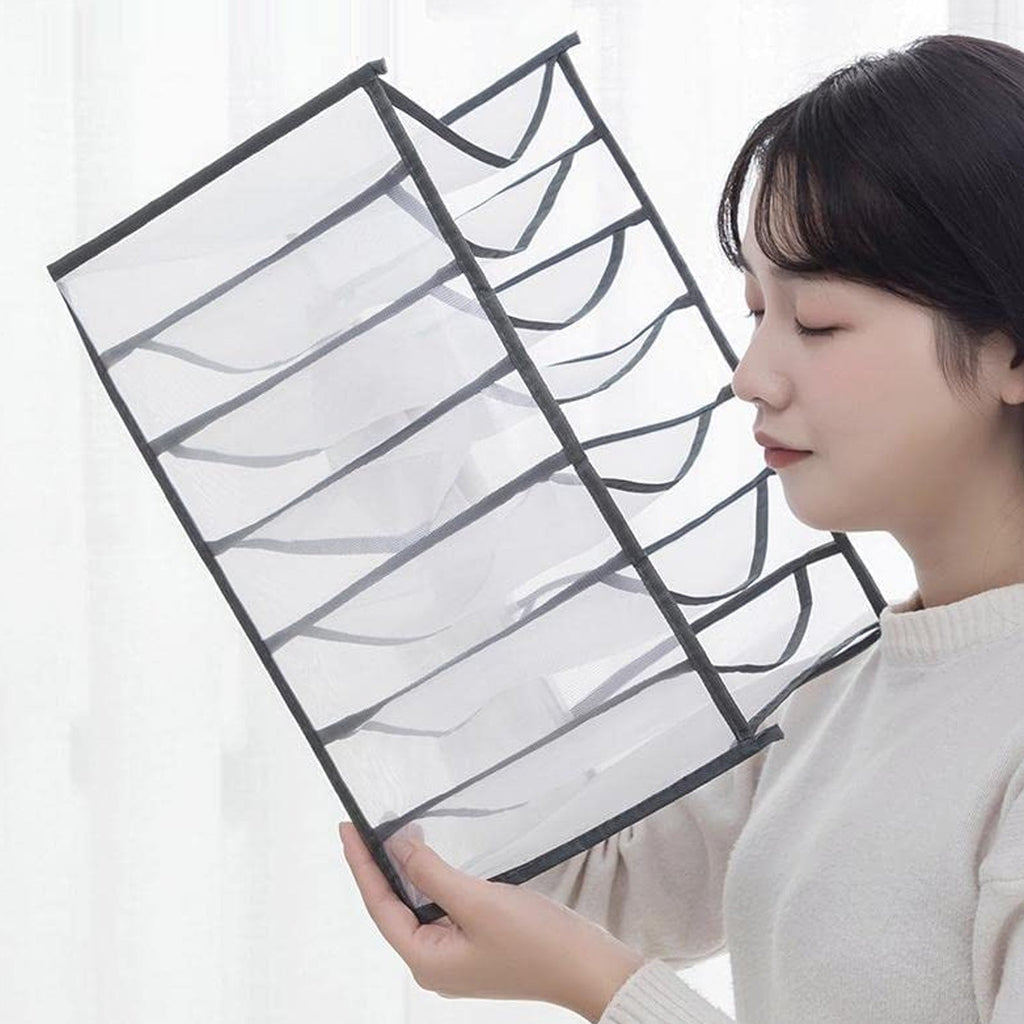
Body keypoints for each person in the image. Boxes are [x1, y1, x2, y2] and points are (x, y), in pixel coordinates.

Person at [340, 32, 1024, 1022]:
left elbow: (583, 943)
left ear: (1012, 352)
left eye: (816, 322)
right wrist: (404, 487)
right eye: (755, 312)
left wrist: (603, 990)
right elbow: (561, 884)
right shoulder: (839, 692)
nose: (751, 376)